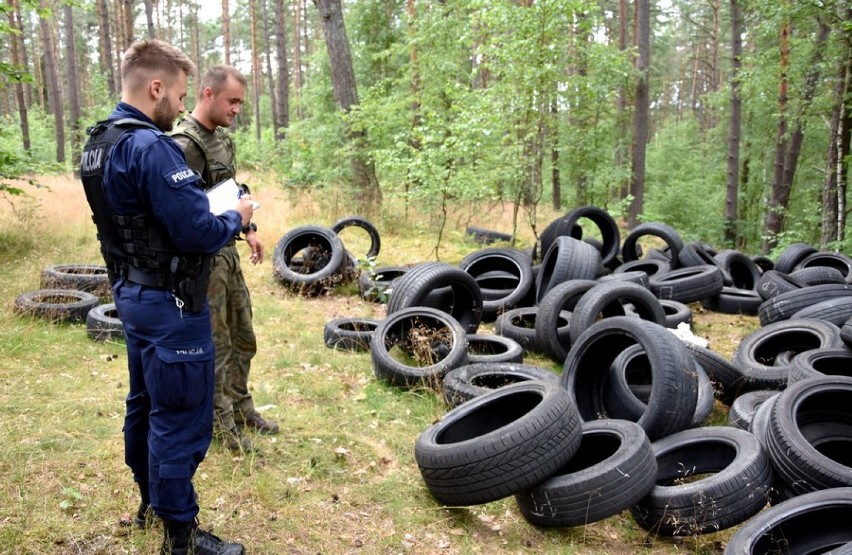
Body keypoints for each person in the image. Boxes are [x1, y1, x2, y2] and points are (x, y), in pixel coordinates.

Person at [80, 39, 251, 555]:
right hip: (172, 304)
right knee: (179, 414)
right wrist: (236, 218)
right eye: (177, 95)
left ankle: (150, 504)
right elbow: (197, 231)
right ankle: (181, 533)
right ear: (156, 87)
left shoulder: (98, 141)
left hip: (132, 294)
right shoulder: (150, 146)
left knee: (146, 403)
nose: (179, 107)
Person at [172, 65, 279, 454]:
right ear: (207, 94)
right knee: (215, 345)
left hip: (227, 254)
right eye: (232, 101)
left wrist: (247, 229)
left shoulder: (220, 139)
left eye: (240, 102)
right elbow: (181, 213)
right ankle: (221, 424)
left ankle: (241, 407)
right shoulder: (184, 144)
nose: (237, 109)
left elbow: (226, 189)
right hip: (204, 262)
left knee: (243, 337)